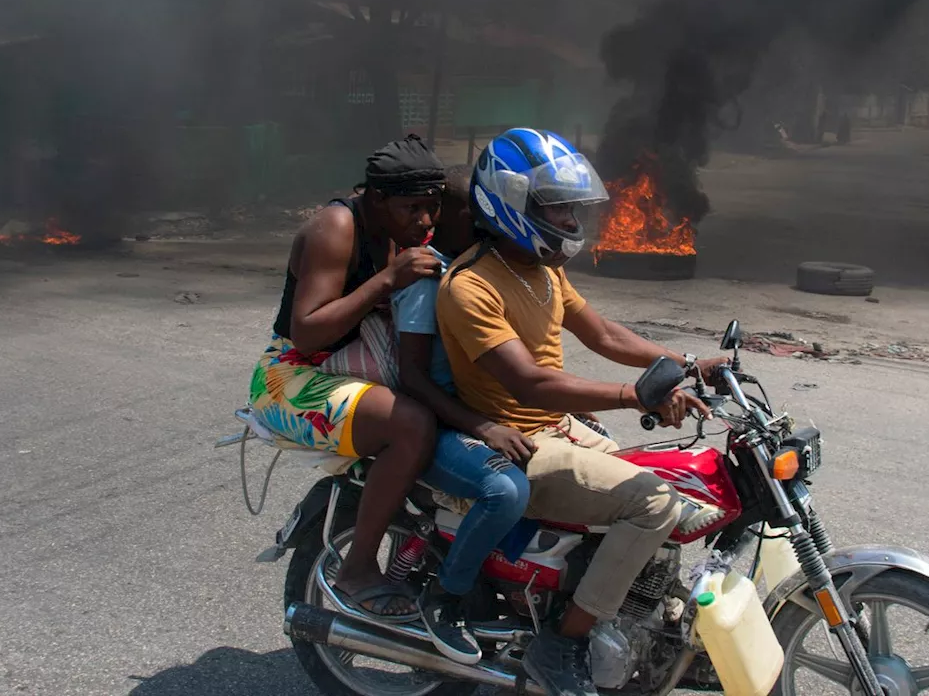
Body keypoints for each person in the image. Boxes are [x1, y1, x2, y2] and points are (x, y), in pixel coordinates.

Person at [436, 128, 727, 696]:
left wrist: (689, 362)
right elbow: (532, 381)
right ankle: (563, 642)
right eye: (556, 207)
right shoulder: (470, 286)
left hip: (558, 427)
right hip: (519, 443)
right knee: (651, 503)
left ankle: (624, 615)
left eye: (572, 207)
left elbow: (605, 334)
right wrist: (634, 395)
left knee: (682, 492)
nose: (570, 220)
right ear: (510, 201)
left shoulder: (542, 269)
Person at [248, 134, 446, 622]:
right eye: (412, 208)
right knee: (412, 425)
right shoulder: (336, 226)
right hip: (291, 377)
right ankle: (357, 570)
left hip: (352, 361)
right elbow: (307, 331)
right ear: (377, 198)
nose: (424, 221)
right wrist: (385, 280)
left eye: (432, 208)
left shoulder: (400, 228)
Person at [390, 165, 534, 664]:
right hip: (439, 422)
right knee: (505, 490)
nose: (483, 226)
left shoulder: (474, 266)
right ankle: (445, 599)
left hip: (472, 411)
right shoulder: (430, 278)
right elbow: (412, 376)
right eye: (472, 215)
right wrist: (484, 426)